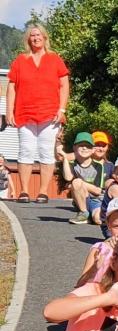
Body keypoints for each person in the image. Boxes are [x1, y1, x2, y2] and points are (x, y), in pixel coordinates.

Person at [6, 23, 69, 204]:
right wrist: (9, 110)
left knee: (46, 153)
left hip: (50, 114)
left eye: (38, 35)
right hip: (24, 114)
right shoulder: (20, 60)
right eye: (32, 35)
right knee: (25, 151)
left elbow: (64, 85)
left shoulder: (54, 59)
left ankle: (43, 192)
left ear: (44, 37)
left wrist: (61, 109)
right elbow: (12, 87)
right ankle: (24, 191)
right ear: (28, 39)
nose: (35, 38)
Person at [76, 196, 118, 287]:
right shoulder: (100, 249)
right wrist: (94, 269)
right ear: (108, 224)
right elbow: (79, 285)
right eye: (117, 226)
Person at [59, 132, 108, 225]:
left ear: (93, 149)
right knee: (76, 182)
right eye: (81, 145)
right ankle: (83, 212)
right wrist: (65, 159)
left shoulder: (98, 166)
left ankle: (89, 216)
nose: (84, 148)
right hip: (82, 199)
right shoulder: (73, 163)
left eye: (88, 146)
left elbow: (97, 191)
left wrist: (80, 183)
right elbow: (68, 177)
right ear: (74, 148)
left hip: (96, 200)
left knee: (98, 220)